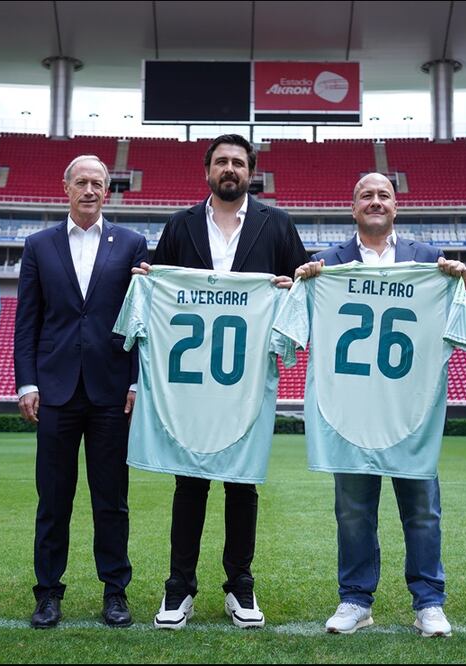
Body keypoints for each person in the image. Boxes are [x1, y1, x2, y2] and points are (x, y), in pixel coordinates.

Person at [292, 172, 466, 637]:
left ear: (396, 206)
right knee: (353, 511)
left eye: (383, 195)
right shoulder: (326, 264)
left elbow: (458, 318)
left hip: (408, 408)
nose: (375, 201)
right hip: (351, 410)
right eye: (366, 196)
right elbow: (296, 318)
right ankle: (355, 599)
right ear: (352, 208)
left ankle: (429, 601)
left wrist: (463, 285)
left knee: (422, 509)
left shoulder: (430, 260)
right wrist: (301, 283)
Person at [138, 134, 308, 630]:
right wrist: (149, 280)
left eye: (237, 162)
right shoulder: (180, 224)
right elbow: (158, 287)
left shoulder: (276, 224)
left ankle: (240, 583)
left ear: (250, 172)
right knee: (188, 482)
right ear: (207, 170)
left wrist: (288, 287)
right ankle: (179, 586)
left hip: (248, 380)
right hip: (191, 384)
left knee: (242, 484)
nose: (229, 169)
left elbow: (301, 291)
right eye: (221, 162)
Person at [14, 155, 148, 628]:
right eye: (81, 182)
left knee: (111, 498)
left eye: (98, 183)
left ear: (107, 191)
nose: (90, 189)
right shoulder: (38, 245)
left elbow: (139, 320)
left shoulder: (132, 243)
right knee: (53, 498)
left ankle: (115, 592)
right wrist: (26, 381)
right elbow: (27, 319)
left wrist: (135, 380)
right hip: (55, 389)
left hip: (112, 389)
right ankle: (48, 593)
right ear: (65, 187)